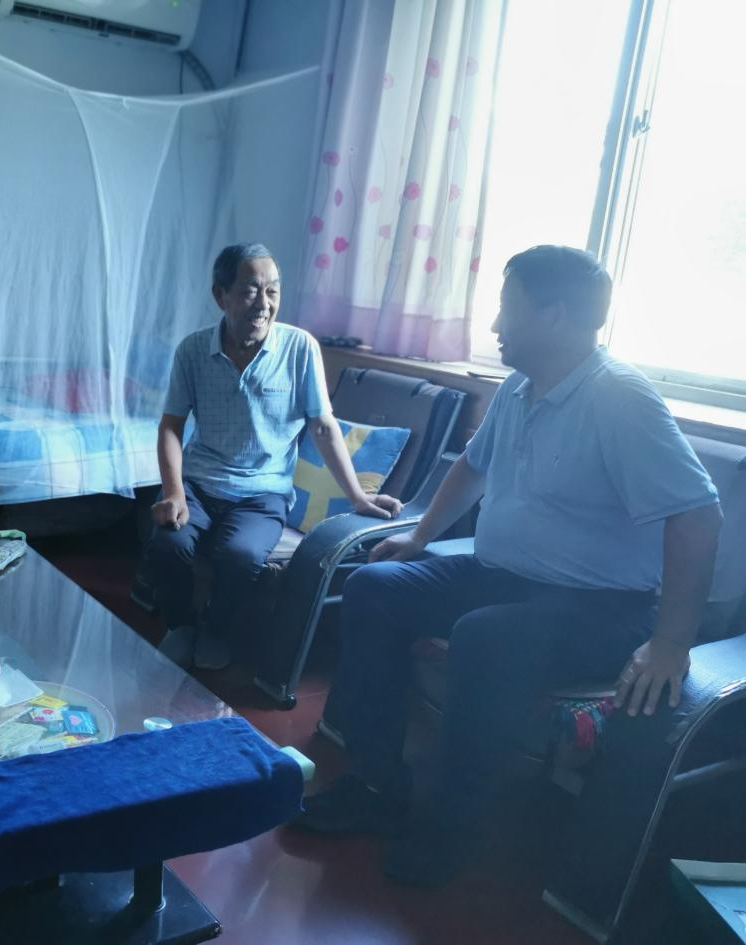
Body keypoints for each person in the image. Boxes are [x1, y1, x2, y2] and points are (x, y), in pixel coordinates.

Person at [291, 245, 722, 887]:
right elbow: (472, 466)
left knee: (485, 637)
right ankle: (377, 786)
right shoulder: (518, 388)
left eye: (506, 308)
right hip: (502, 576)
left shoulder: (621, 400)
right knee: (375, 586)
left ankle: (451, 831)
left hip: (602, 607)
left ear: (554, 315)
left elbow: (697, 514)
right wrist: (417, 538)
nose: (495, 325)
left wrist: (671, 643)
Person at [146, 242, 402, 671]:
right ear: (221, 296)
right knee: (168, 542)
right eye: (250, 291)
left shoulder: (300, 348)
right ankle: (181, 625)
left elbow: (323, 427)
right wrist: (174, 492)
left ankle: (217, 629)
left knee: (242, 556)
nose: (263, 304)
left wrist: (358, 497)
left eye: (273, 291)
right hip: (198, 483)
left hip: (263, 493)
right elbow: (171, 426)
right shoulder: (192, 351)